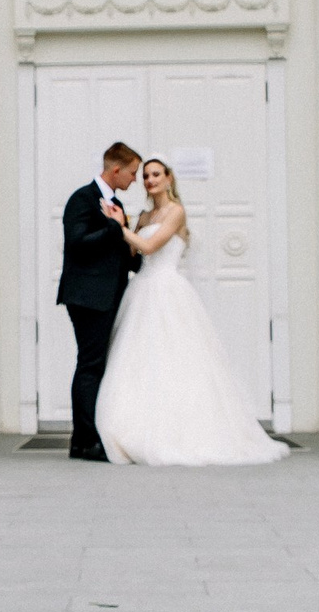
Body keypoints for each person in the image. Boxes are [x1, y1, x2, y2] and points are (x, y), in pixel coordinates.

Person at [93, 159, 287, 467]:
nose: (150, 180)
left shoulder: (176, 212)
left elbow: (151, 246)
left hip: (167, 289)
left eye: (156, 174)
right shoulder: (144, 215)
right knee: (137, 360)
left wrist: (121, 229)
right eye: (145, 175)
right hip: (142, 288)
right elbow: (131, 252)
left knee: (178, 359)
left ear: (169, 178)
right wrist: (125, 224)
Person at [58, 143, 143, 462]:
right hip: (88, 296)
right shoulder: (82, 199)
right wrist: (114, 227)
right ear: (116, 169)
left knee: (96, 365)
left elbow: (114, 250)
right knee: (90, 365)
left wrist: (133, 258)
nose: (135, 179)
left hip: (108, 295)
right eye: (133, 172)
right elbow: (77, 243)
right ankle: (85, 441)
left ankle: (84, 440)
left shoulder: (116, 203)